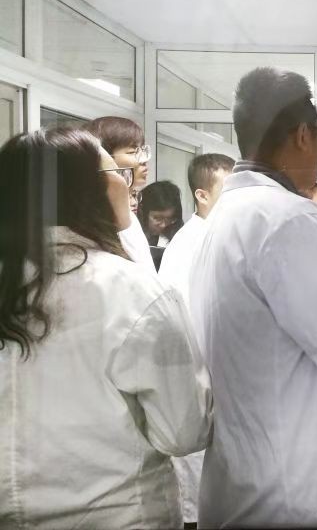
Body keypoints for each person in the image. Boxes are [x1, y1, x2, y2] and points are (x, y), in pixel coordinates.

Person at [192, 67, 317, 528]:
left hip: (246, 477)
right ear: (304, 135)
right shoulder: (287, 218)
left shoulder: (223, 219)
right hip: (295, 488)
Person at [0, 126, 212, 529]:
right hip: (118, 514)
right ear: (83, 190)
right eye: (117, 172)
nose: (129, 185)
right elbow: (183, 432)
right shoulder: (132, 291)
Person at [158, 153, 233, 527]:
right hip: (200, 384)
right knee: (199, 503)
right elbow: (187, 326)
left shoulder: (216, 238)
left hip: (218, 385)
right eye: (228, 191)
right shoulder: (189, 246)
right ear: (202, 195)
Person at [86, 116, 155, 271]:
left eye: (142, 150)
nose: (144, 160)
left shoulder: (127, 215)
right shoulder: (101, 218)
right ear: (103, 157)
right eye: (133, 152)